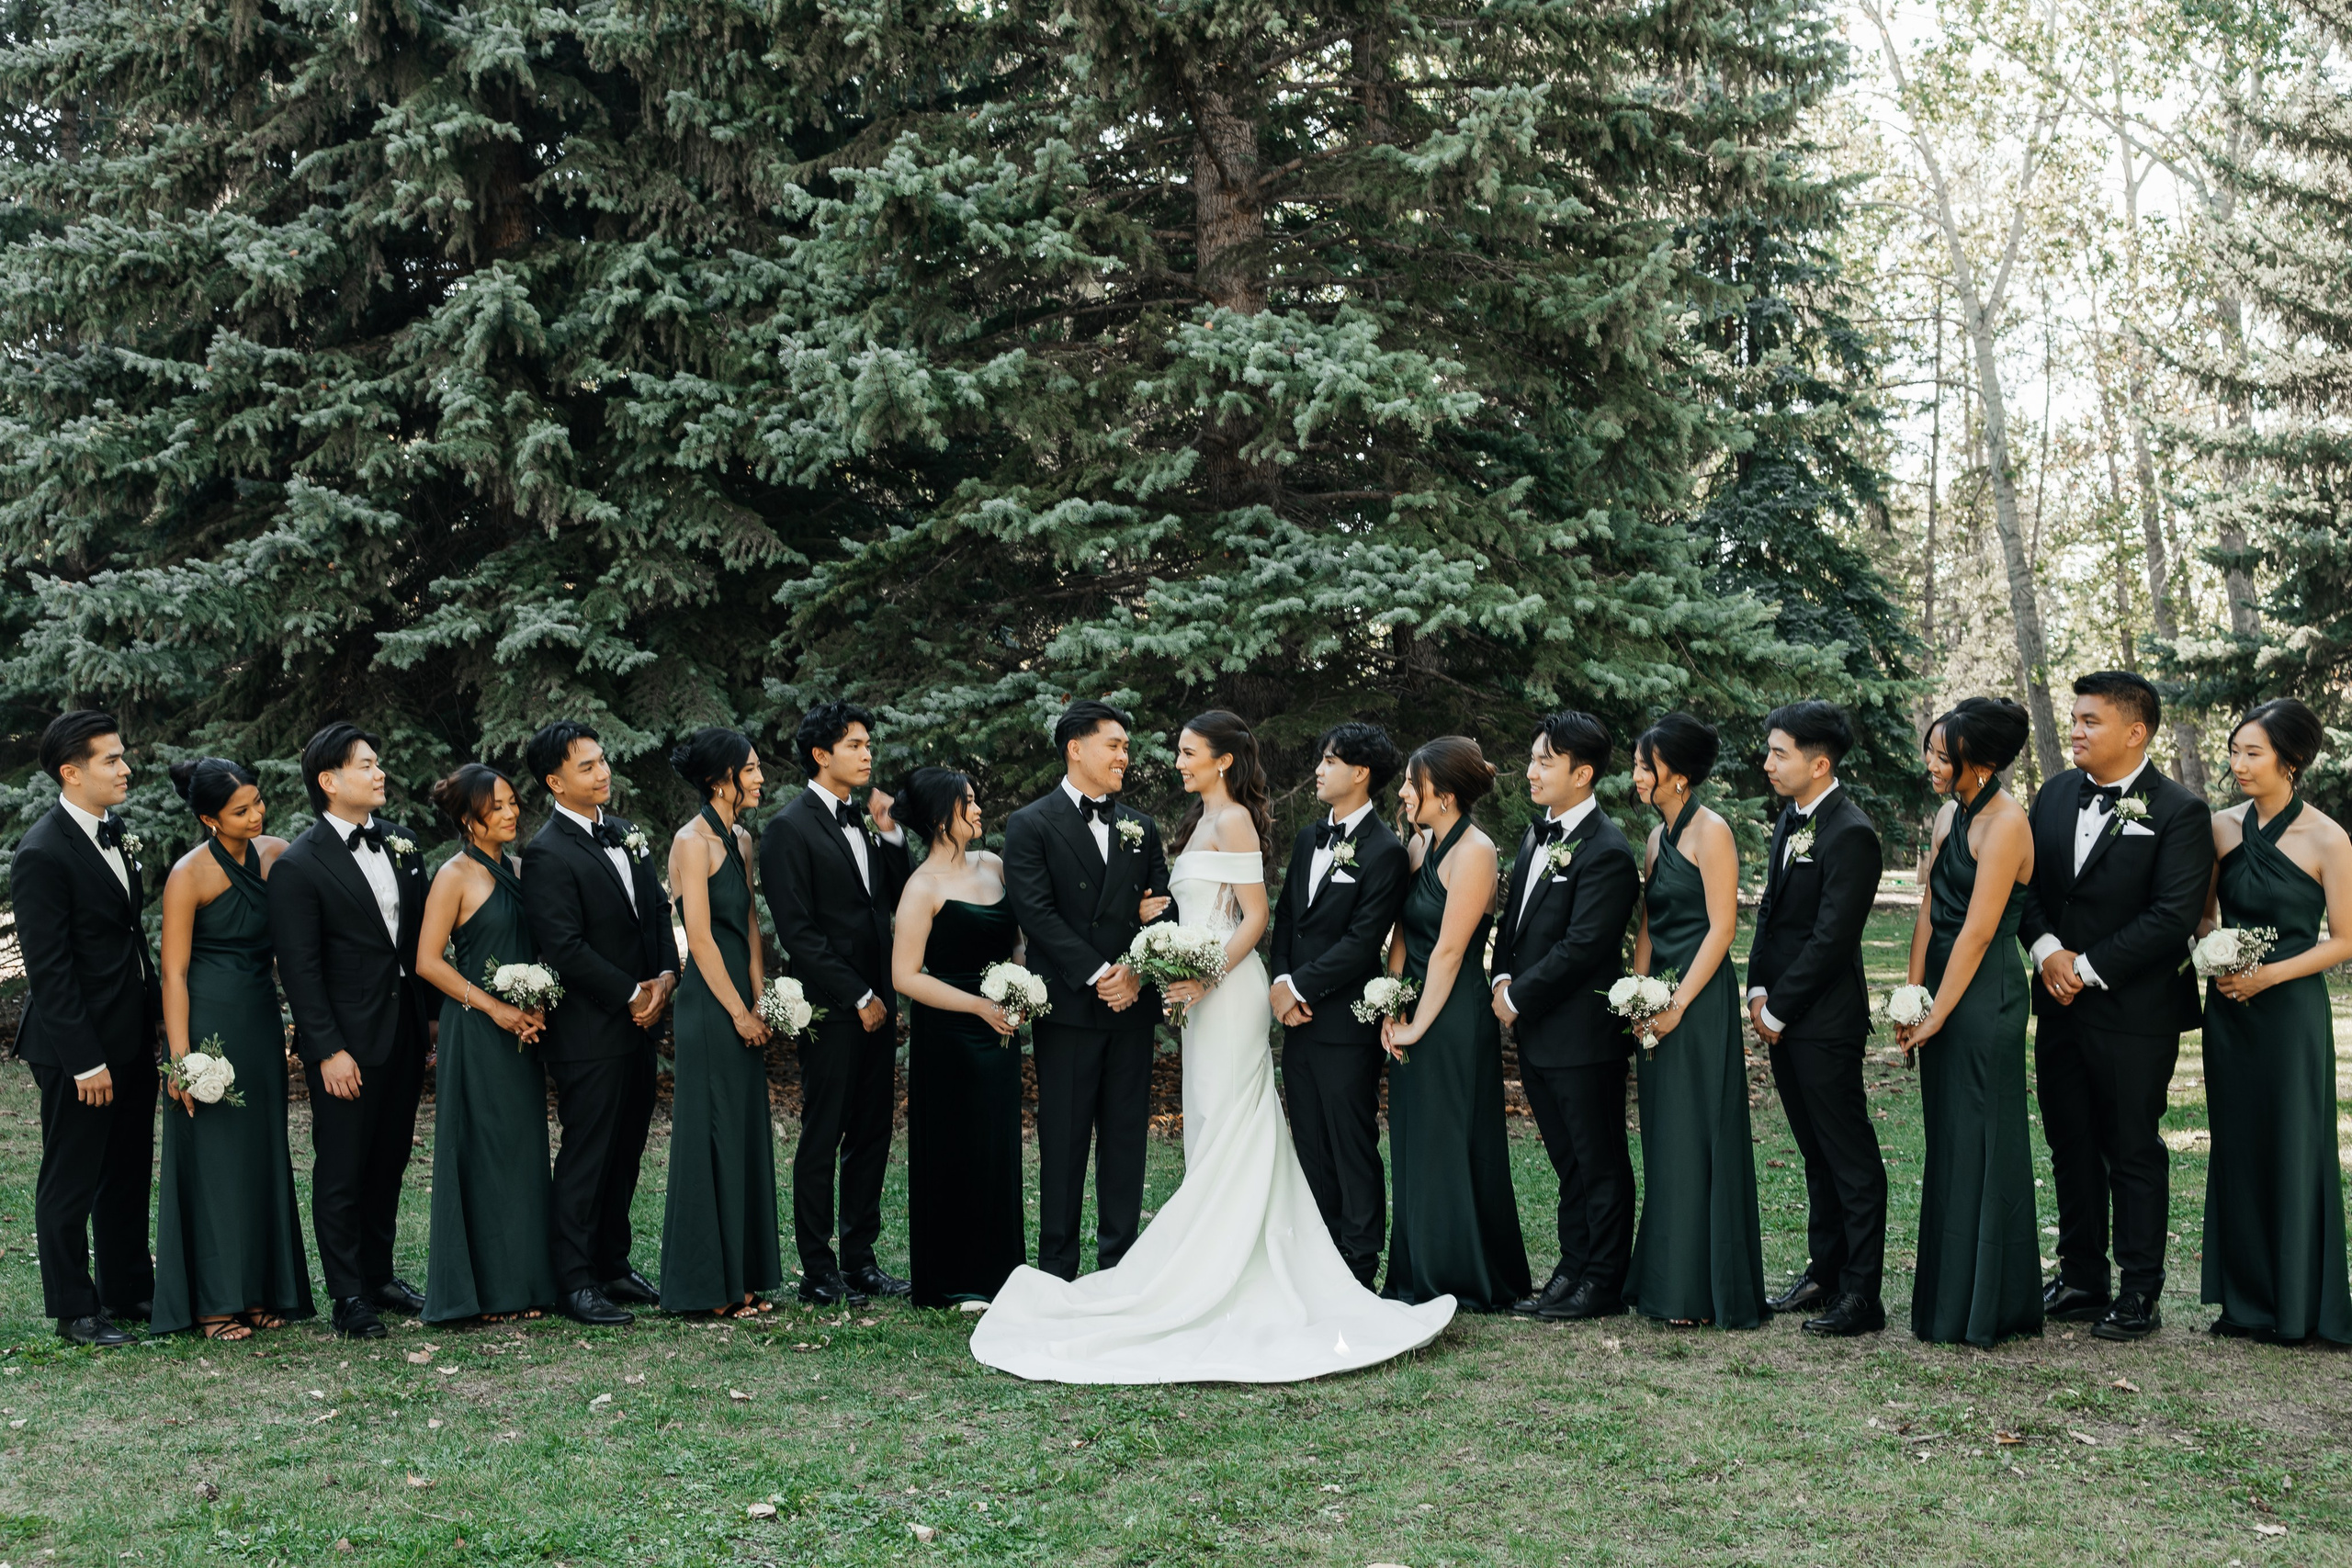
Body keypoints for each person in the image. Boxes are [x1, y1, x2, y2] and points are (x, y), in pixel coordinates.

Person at [971, 712, 1455, 1382]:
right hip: (1198, 997)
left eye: (1188, 751)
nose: (1176, 761)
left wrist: (1206, 976)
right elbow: (1197, 910)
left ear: (1222, 760)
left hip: (1225, 993)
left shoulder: (1234, 821)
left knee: (1233, 1121)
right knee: (1207, 1123)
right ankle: (1207, 1257)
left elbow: (1255, 917)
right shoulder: (1196, 821)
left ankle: (1232, 1268)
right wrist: (1160, 923)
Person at [2017, 671, 2213, 1340]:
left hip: (2135, 1012)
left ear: (2135, 732)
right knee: (2069, 1140)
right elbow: (2028, 887)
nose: (2074, 730)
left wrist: (2086, 967)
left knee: (2131, 1147)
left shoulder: (2180, 810)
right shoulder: (2052, 794)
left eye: (2090, 721)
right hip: (2058, 1005)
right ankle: (2080, 1276)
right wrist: (2048, 950)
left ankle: (2138, 1291)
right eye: (2074, 718)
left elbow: (2172, 916)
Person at [269, 723, 432, 1339]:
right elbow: (300, 968)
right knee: (341, 1168)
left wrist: (431, 1022)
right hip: (344, 1041)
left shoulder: (403, 844)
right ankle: (347, 1294)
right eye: (366, 764)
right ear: (329, 781)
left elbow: (415, 944)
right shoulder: (299, 864)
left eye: (377, 761)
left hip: (404, 1030)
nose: (379, 772)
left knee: (390, 1159)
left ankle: (379, 1275)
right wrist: (328, 1049)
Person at [2197, 699, 2352, 1344]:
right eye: (2234, 751)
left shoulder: (2328, 838)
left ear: (2290, 760)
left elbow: (2345, 940)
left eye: (2252, 753)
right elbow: (2204, 914)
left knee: (2293, 1143)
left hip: (2291, 1015)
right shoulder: (2220, 828)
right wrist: (2216, 948)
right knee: (2236, 1143)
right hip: (2230, 1010)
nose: (2238, 764)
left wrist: (2270, 973)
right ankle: (2245, 1301)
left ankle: (2297, 1304)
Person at [1000, 700, 1170, 1281]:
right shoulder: (1030, 823)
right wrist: (1102, 974)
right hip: (1071, 1007)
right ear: (1076, 748)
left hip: (1131, 1008)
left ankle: (1120, 1269)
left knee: (1125, 1143)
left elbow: (1162, 909)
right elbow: (1036, 914)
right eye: (1114, 745)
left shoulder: (1142, 827)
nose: (1125, 756)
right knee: (1064, 1142)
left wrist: (1136, 971)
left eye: (1126, 748)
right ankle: (1056, 1272)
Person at [520, 719, 677, 1328]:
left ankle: (612, 1263)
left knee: (628, 1149)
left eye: (602, 760)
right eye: (585, 766)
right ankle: (575, 1280)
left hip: (642, 1021)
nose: (602, 771)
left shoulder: (628, 832)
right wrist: (630, 992)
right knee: (588, 1154)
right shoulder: (546, 852)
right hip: (588, 1031)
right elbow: (563, 945)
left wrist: (664, 977)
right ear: (555, 782)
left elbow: (658, 911)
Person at [11, 712, 160, 1346]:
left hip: (130, 1033)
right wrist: (84, 1060)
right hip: (77, 1046)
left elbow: (125, 936)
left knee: (127, 1167)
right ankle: (74, 1309)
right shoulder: (41, 852)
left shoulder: (116, 832)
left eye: (122, 756)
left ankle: (128, 1289)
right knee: (71, 1176)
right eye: (111, 759)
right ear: (71, 772)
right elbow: (49, 970)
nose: (125, 768)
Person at [1897, 699, 2043, 1347]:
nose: (1930, 764)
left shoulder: (2006, 824)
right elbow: (1930, 907)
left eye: (1941, 754)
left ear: (1978, 761)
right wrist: (1913, 996)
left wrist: (1939, 1014)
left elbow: (1980, 932)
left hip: (1986, 996)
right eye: (1930, 751)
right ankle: (1947, 1295)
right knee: (1949, 1138)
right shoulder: (1948, 815)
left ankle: (1989, 1303)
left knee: (1982, 1137)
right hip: (1942, 986)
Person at [151, 758, 311, 1340]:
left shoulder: (277, 854)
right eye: (240, 811)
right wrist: (182, 1061)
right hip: (209, 1022)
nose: (256, 815)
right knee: (214, 1159)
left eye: (257, 802)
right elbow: (173, 973)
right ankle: (215, 1302)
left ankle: (263, 1289)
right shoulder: (188, 875)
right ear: (209, 819)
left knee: (262, 1151)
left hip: (260, 1019)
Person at [1743, 701, 1889, 1337]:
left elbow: (1832, 939)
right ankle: (1826, 1272)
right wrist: (1756, 987)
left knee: (1849, 1158)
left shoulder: (1851, 832)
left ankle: (1861, 1295)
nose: (1768, 763)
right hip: (1782, 1014)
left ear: (1819, 763)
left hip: (1825, 1022)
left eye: (1780, 753)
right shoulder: (1791, 817)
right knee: (1815, 1154)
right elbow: (1771, 911)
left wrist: (1778, 1007)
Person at [1490, 712, 1642, 1322]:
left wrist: (1518, 996)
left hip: (1583, 1036)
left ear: (1583, 774)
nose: (1531, 771)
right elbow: (1514, 923)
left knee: (1598, 1161)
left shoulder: (1607, 851)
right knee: (1566, 1161)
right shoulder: (1537, 836)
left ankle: (1602, 1281)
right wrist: (1500, 976)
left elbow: (1583, 946)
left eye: (1545, 761)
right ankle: (1571, 1269)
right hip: (1539, 1034)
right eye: (1533, 758)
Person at [759, 702, 911, 1305]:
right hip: (830, 1006)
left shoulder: (866, 821)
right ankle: (818, 1270)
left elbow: (892, 897)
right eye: (854, 744)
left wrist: (891, 832)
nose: (867, 753)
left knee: (872, 1132)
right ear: (821, 755)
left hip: (880, 1001)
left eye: (868, 743)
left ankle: (861, 1261)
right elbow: (798, 932)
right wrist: (858, 994)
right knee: (824, 1135)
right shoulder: (788, 828)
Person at [1379, 736, 1532, 1313]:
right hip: (1413, 1008)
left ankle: (1463, 1274)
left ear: (1442, 794)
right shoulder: (1420, 844)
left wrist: (1417, 1025)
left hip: (1452, 1017)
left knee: (1452, 1138)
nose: (1402, 792)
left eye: (1412, 784)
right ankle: (1417, 1268)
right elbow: (1402, 935)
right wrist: (1391, 1002)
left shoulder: (1476, 851)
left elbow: (1448, 951)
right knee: (1415, 1138)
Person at [1624, 714, 1766, 1329]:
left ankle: (1697, 1290)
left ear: (1677, 775)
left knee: (1696, 1133)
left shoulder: (1713, 832)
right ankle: (1664, 1276)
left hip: (1698, 1002)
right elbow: (1650, 923)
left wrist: (1677, 1003)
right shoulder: (1657, 839)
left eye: (1644, 766)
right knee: (1664, 1135)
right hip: (1655, 1000)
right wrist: (1637, 992)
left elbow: (1723, 929)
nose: (1635, 776)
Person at [413, 765, 558, 1325]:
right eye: (496, 806)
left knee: (521, 1152)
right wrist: (496, 1009)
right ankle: (486, 1291)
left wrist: (536, 1002)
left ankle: (525, 1282)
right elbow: (428, 962)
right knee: (482, 1151)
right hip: (476, 1031)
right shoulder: (454, 875)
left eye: (512, 801)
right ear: (469, 820)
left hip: (523, 1029)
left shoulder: (520, 869)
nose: (511, 812)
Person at [1267, 722, 1410, 1289]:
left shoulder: (1386, 850)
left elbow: (1361, 941)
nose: (1318, 770)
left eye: (1330, 761)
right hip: (1298, 1023)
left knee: (1351, 1143)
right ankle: (1320, 1257)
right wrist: (1281, 982)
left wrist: (1298, 987)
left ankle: (1359, 1262)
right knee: (1309, 1142)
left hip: (1346, 1024)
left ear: (1361, 773)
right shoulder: (1308, 838)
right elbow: (1287, 918)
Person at [889, 768, 1027, 1307]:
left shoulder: (993, 864)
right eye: (967, 802)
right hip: (949, 1036)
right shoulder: (921, 887)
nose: (977, 809)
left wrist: (1020, 987)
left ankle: (999, 1272)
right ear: (940, 817)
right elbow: (905, 976)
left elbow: (1015, 942)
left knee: (996, 1147)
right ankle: (952, 1279)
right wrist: (979, 1006)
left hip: (1001, 1031)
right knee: (954, 1149)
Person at [662, 729, 785, 1318]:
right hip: (710, 1008)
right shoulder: (692, 842)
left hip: (743, 1003)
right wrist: (736, 1011)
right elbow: (701, 937)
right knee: (711, 1136)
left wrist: (762, 1002)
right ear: (720, 780)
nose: (760, 778)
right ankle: (709, 1288)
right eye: (751, 769)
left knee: (740, 1135)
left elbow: (751, 925)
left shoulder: (741, 839)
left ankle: (743, 1277)